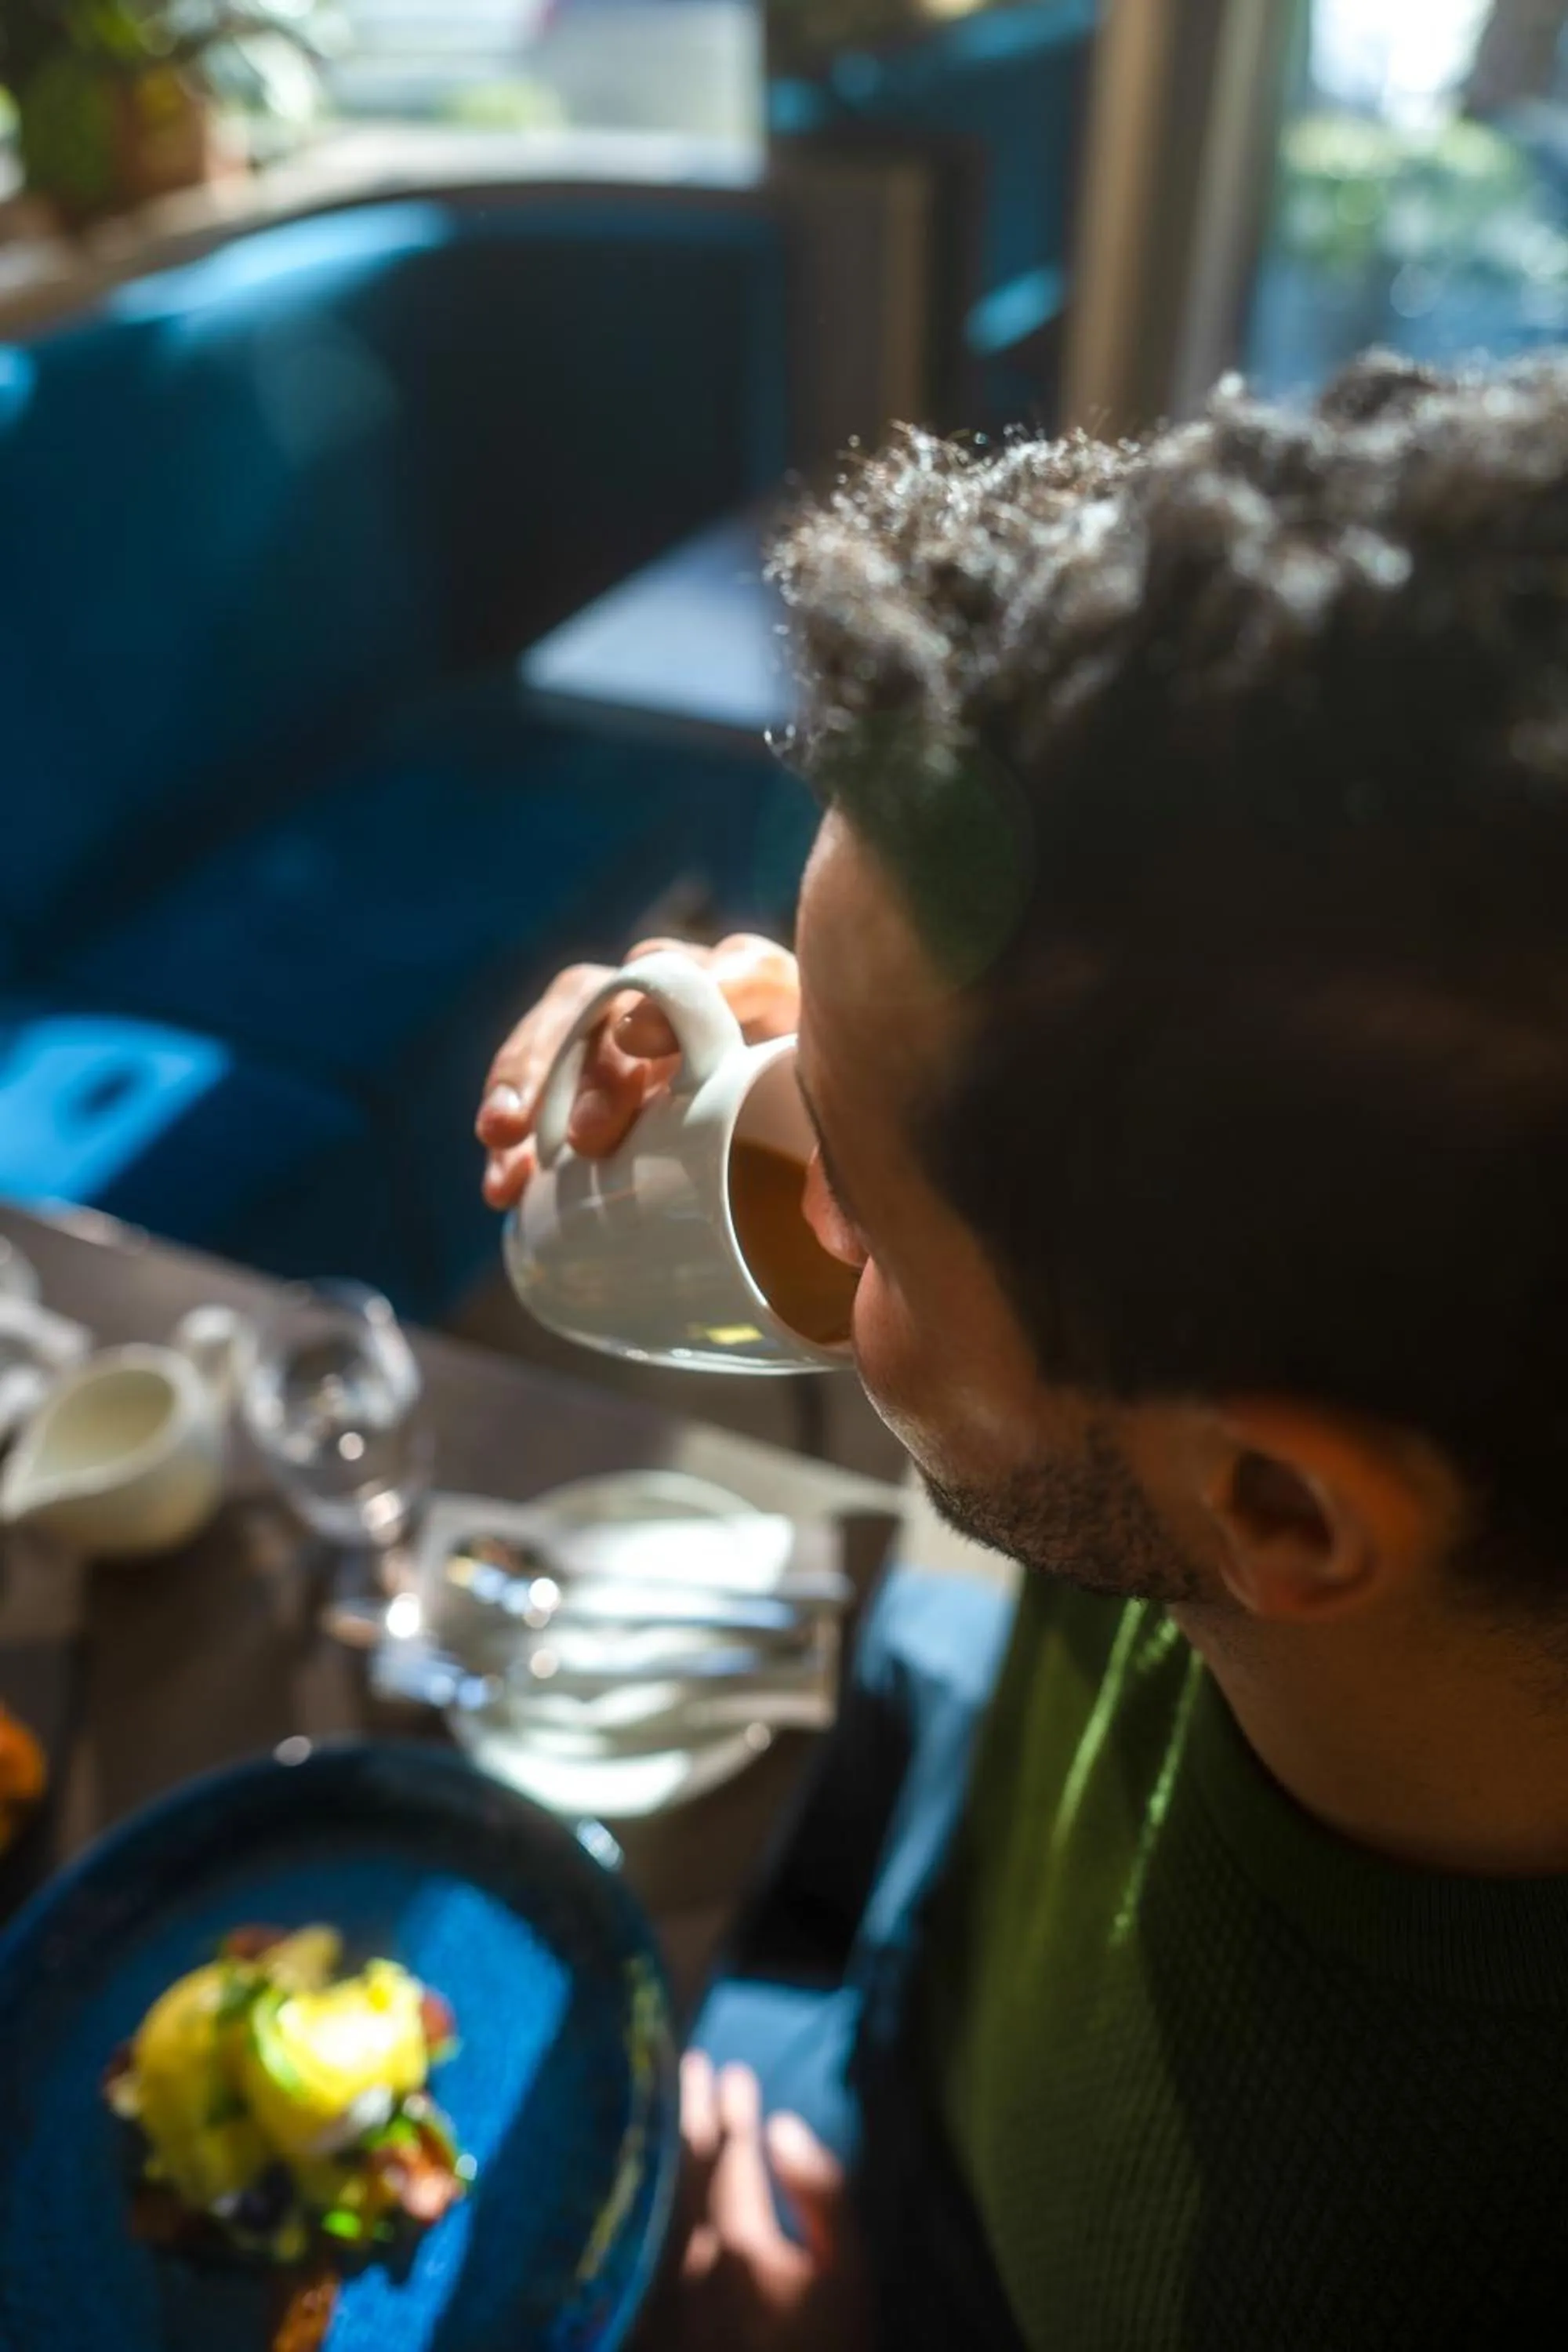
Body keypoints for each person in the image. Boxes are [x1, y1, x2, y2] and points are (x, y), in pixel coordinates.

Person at [476, 354, 1568, 2348]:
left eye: (865, 1214)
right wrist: (872, 1058)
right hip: (938, 1954)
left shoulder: (1368, 2265)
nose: (792, 1140)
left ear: (1272, 1498)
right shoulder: (1349, 1392)